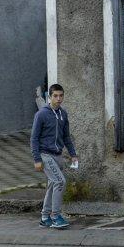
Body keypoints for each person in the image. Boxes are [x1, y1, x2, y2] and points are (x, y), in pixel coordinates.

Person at [30, 84, 79, 229]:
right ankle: (56, 216)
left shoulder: (63, 114)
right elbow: (34, 138)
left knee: (52, 185)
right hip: (45, 155)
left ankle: (45, 218)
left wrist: (73, 154)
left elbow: (66, 137)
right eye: (55, 96)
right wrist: (37, 159)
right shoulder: (41, 114)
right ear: (49, 97)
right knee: (60, 182)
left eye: (61, 95)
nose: (59, 99)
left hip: (57, 156)